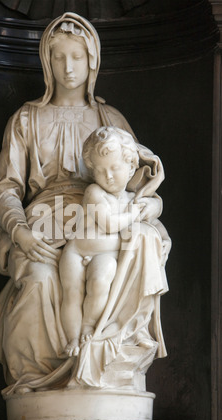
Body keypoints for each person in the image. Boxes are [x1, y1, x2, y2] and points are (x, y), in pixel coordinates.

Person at [0, 12, 169, 396]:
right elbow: (6, 188)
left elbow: (138, 179)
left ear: (93, 61)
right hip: (43, 226)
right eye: (59, 57)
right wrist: (18, 231)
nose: (69, 67)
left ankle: (102, 361)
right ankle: (37, 378)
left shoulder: (108, 117)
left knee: (140, 245)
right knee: (38, 280)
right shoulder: (26, 119)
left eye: (78, 57)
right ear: (46, 63)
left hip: (102, 222)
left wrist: (152, 206)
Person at [60, 126, 145, 357]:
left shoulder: (132, 199)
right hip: (76, 253)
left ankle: (89, 326)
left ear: (130, 167)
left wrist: (149, 207)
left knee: (100, 282)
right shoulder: (94, 193)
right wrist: (133, 215)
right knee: (72, 294)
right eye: (99, 170)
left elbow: (155, 206)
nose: (107, 176)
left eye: (114, 168)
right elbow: (108, 224)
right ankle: (73, 339)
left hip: (105, 255)